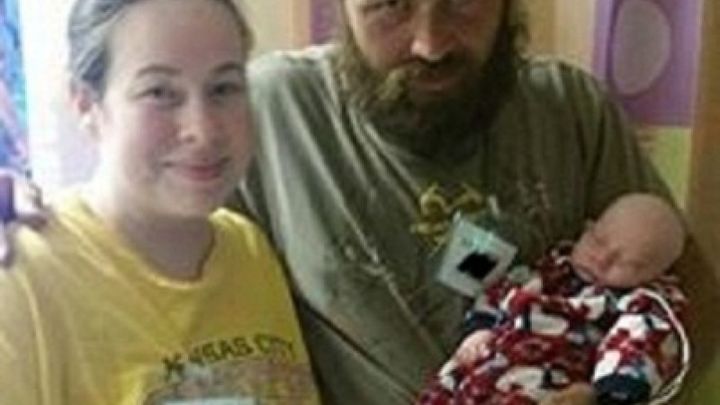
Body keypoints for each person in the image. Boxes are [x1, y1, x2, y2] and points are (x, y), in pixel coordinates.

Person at [1, 0, 681, 403]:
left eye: (463, 1)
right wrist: (18, 203)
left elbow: (689, 286)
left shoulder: (573, 109)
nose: (429, 42)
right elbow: (135, 211)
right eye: (390, 4)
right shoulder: (271, 110)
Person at [0, 0, 320, 403]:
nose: (203, 130)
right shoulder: (23, 277)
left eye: (223, 88)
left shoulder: (249, 250)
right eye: (159, 93)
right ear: (85, 103)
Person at [418, 193, 689, 404]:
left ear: (655, 276)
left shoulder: (639, 302)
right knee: (441, 390)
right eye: (599, 240)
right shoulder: (551, 266)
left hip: (547, 380)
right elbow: (500, 292)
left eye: (627, 263)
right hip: (478, 371)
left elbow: (640, 341)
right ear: (588, 227)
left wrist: (612, 392)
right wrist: (479, 329)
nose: (602, 259)